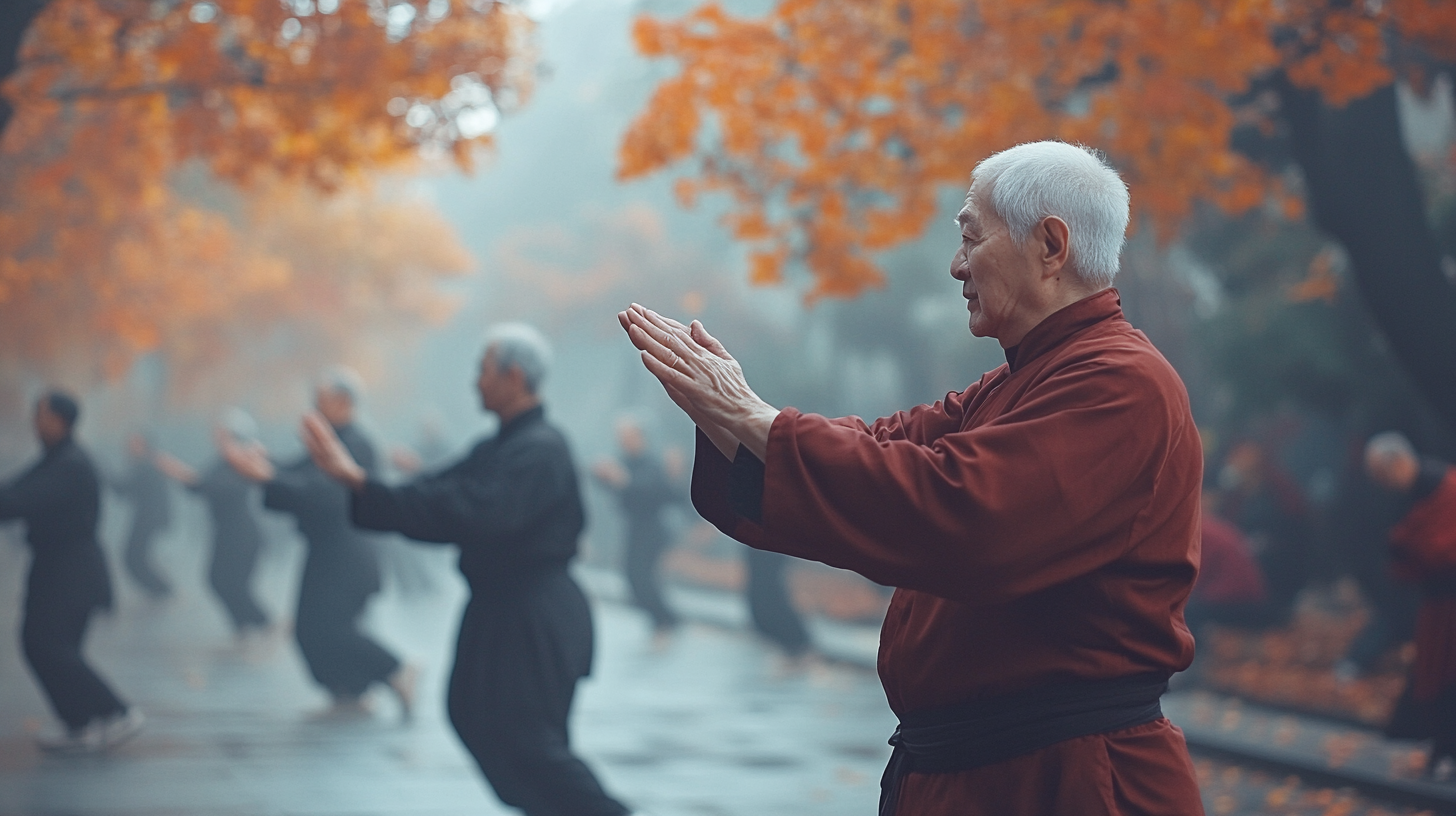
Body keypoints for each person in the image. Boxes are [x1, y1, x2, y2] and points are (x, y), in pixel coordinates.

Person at [621, 140, 1204, 815]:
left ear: (1050, 245)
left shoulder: (1123, 383)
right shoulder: (1019, 380)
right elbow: (884, 448)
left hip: (1066, 783)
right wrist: (736, 417)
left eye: (971, 237)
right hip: (980, 773)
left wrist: (755, 420)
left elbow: (965, 513)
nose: (957, 265)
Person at [298, 324, 632, 816]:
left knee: (531, 745)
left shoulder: (540, 448)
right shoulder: (499, 446)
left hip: (533, 616)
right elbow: (437, 490)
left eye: (482, 371)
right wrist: (366, 486)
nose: (475, 382)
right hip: (502, 612)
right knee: (478, 718)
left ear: (514, 376)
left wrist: (362, 483)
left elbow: (473, 510)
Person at [222, 368, 414, 718]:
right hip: (330, 552)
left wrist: (270, 476)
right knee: (312, 629)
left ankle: (395, 669)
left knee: (330, 628)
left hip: (348, 553)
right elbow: (297, 473)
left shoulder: (357, 443)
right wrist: (262, 465)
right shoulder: (334, 440)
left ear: (344, 402)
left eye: (320, 400)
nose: (313, 407)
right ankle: (350, 689)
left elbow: (326, 493)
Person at [0, 392, 143, 752]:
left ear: (60, 420)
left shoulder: (71, 464)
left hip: (71, 573)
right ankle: (80, 722)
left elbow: (18, 501)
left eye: (41, 414)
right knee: (42, 645)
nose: (34, 421)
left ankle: (116, 712)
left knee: (50, 646)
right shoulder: (57, 459)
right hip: (57, 569)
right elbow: (13, 492)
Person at [1364, 431, 1456, 776]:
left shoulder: (1447, 488)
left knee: (1449, 679)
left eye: (1383, 475)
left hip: (1450, 602)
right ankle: (1442, 749)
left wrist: (1408, 543)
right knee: (1435, 676)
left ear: (1399, 462)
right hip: (1436, 604)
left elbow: (1442, 546)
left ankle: (1446, 750)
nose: (1383, 484)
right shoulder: (1410, 495)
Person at [155, 409, 273, 640]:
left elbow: (218, 487)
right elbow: (202, 486)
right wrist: (180, 474)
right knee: (218, 580)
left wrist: (183, 474)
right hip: (227, 532)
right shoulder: (223, 461)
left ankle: (262, 623)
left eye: (222, 434)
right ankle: (245, 626)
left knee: (234, 583)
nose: (216, 438)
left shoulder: (244, 460)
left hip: (242, 534)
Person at [592, 416, 681, 643]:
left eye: (629, 437)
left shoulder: (651, 463)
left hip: (652, 529)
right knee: (633, 578)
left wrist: (623, 480)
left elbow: (655, 492)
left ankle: (666, 620)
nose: (624, 442)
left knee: (643, 577)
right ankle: (663, 620)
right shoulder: (626, 462)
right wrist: (602, 477)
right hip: (634, 528)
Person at [115, 432, 174, 600]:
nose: (131, 448)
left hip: (148, 517)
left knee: (134, 556)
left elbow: (121, 488)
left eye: (136, 444)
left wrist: (102, 469)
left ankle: (163, 589)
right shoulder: (144, 464)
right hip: (147, 517)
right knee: (135, 556)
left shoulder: (146, 465)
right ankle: (161, 589)